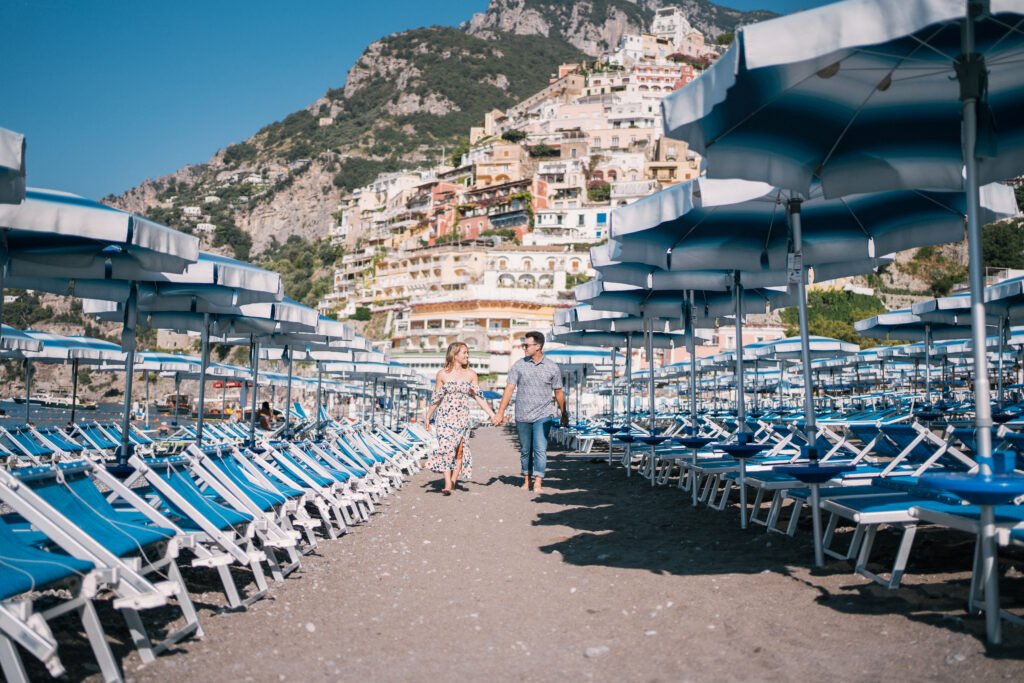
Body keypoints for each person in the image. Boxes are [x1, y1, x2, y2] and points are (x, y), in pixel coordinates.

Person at [493, 331, 568, 494]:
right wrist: (500, 412)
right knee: (526, 450)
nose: (524, 348)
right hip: (522, 415)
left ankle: (538, 481)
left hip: (544, 415)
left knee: (540, 448)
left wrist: (564, 413)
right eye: (523, 345)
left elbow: (559, 392)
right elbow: (509, 389)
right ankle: (526, 479)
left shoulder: (552, 367)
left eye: (527, 345)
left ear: (538, 346)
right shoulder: (519, 365)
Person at [424, 342, 497, 495]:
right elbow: (436, 398)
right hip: (444, 417)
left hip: (462, 418)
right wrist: (428, 417)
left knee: (459, 451)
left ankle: (453, 480)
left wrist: (492, 415)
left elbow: (479, 397)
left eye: (467, 353)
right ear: (454, 354)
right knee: (445, 449)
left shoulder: (471, 374)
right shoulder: (442, 374)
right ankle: (447, 483)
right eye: (464, 353)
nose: (467, 356)